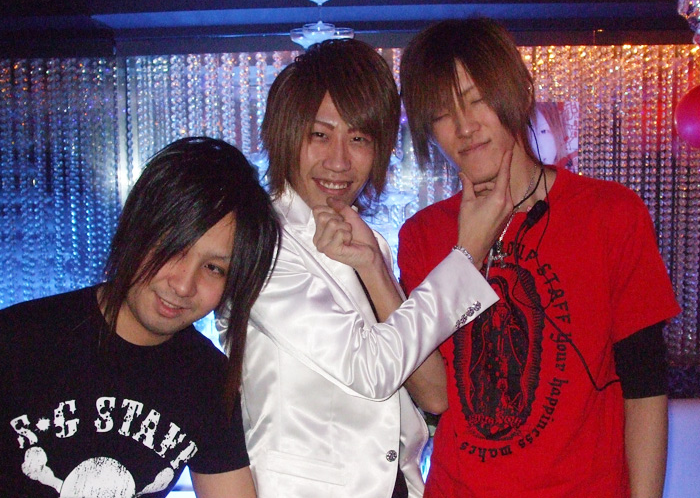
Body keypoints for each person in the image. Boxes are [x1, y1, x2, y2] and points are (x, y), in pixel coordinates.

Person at [216, 39, 512, 498]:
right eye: (319, 135)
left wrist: (376, 268)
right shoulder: (260, 240)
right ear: (284, 134)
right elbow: (370, 369)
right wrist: (467, 254)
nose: (339, 161)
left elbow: (434, 395)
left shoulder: (363, 239)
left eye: (359, 139)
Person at [398, 18, 681, 498]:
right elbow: (436, 395)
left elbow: (646, 388)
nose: (464, 127)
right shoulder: (423, 235)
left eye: (476, 99)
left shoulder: (611, 214)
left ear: (516, 91)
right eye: (442, 114)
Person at [0, 137, 279, 498]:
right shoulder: (18, 341)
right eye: (173, 248)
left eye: (214, 268)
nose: (183, 285)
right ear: (136, 228)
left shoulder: (207, 380)